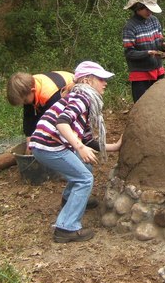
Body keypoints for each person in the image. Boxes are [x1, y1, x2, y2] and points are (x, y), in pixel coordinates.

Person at [30, 61, 122, 243]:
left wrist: (115, 146)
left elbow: (87, 138)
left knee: (85, 167)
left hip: (46, 144)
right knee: (84, 178)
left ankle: (71, 200)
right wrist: (79, 147)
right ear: (87, 81)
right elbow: (62, 122)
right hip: (49, 146)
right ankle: (66, 227)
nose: (105, 83)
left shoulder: (81, 99)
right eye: (101, 79)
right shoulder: (82, 98)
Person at [122, 0, 165, 102]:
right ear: (138, 7)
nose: (150, 12)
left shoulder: (154, 21)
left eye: (151, 9)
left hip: (157, 70)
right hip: (140, 74)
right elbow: (129, 53)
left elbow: (159, 41)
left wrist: (163, 47)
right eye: (147, 9)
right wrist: (148, 53)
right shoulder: (130, 27)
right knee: (141, 104)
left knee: (159, 103)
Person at [7, 71, 74, 152]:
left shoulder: (50, 96)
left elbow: (53, 120)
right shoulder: (27, 87)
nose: (25, 104)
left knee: (55, 124)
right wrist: (29, 143)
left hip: (73, 93)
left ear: (33, 90)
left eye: (24, 101)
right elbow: (29, 118)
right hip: (52, 92)